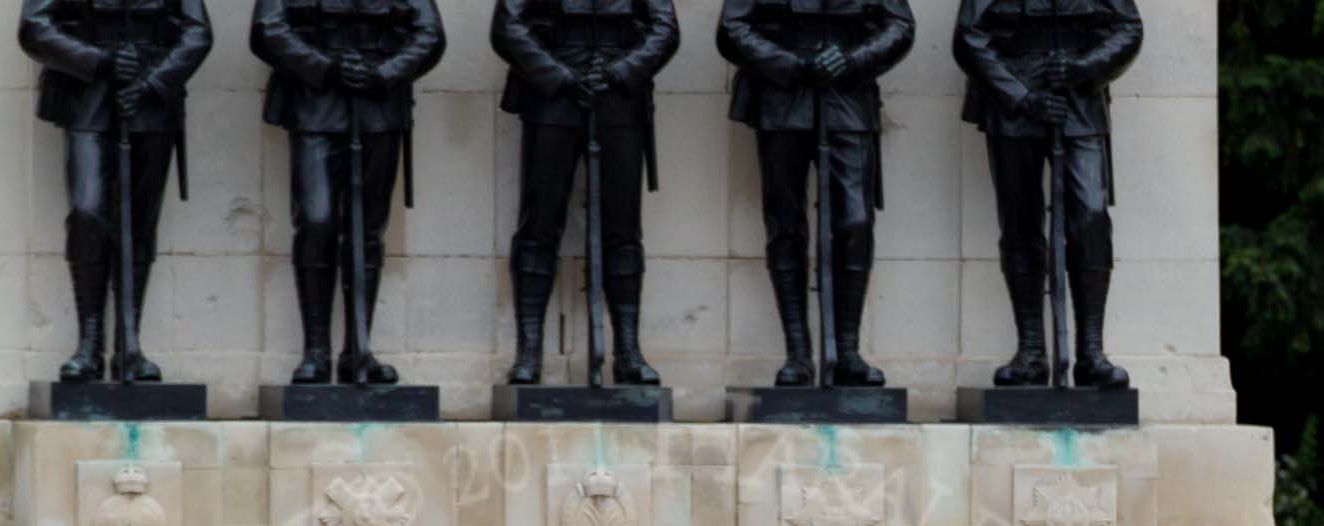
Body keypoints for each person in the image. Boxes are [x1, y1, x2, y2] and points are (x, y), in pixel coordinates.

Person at [716, 0, 915, 387]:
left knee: (855, 220)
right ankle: (797, 354)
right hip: (781, 94)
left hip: (848, 94)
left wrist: (854, 60)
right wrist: (789, 64)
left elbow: (900, 25)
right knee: (785, 224)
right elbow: (732, 28)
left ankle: (847, 352)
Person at [251, 0, 447, 386]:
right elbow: (267, 29)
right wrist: (326, 68)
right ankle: (316, 350)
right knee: (316, 220)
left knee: (367, 230)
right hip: (314, 104)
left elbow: (430, 34)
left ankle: (358, 349)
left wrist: (385, 73)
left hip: (378, 107)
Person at [19, 0, 213, 384]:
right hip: (85, 98)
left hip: (152, 100)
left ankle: (129, 344)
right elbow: (35, 27)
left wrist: (155, 82)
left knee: (139, 222)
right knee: (88, 212)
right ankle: (90, 342)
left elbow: (197, 32)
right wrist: (99, 62)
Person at [953, 0, 1143, 389]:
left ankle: (1091, 352)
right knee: (1020, 222)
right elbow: (969, 37)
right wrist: (1021, 97)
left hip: (1078, 96)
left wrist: (1086, 67)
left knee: (1090, 216)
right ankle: (1031, 351)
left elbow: (1128, 28)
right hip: (1014, 99)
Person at [490, 0, 680, 387]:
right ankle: (529, 352)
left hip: (620, 100)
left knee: (623, 228)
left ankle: (627, 351)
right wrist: (558, 76)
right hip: (552, 98)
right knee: (538, 224)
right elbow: (507, 26)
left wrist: (621, 71)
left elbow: (665, 29)